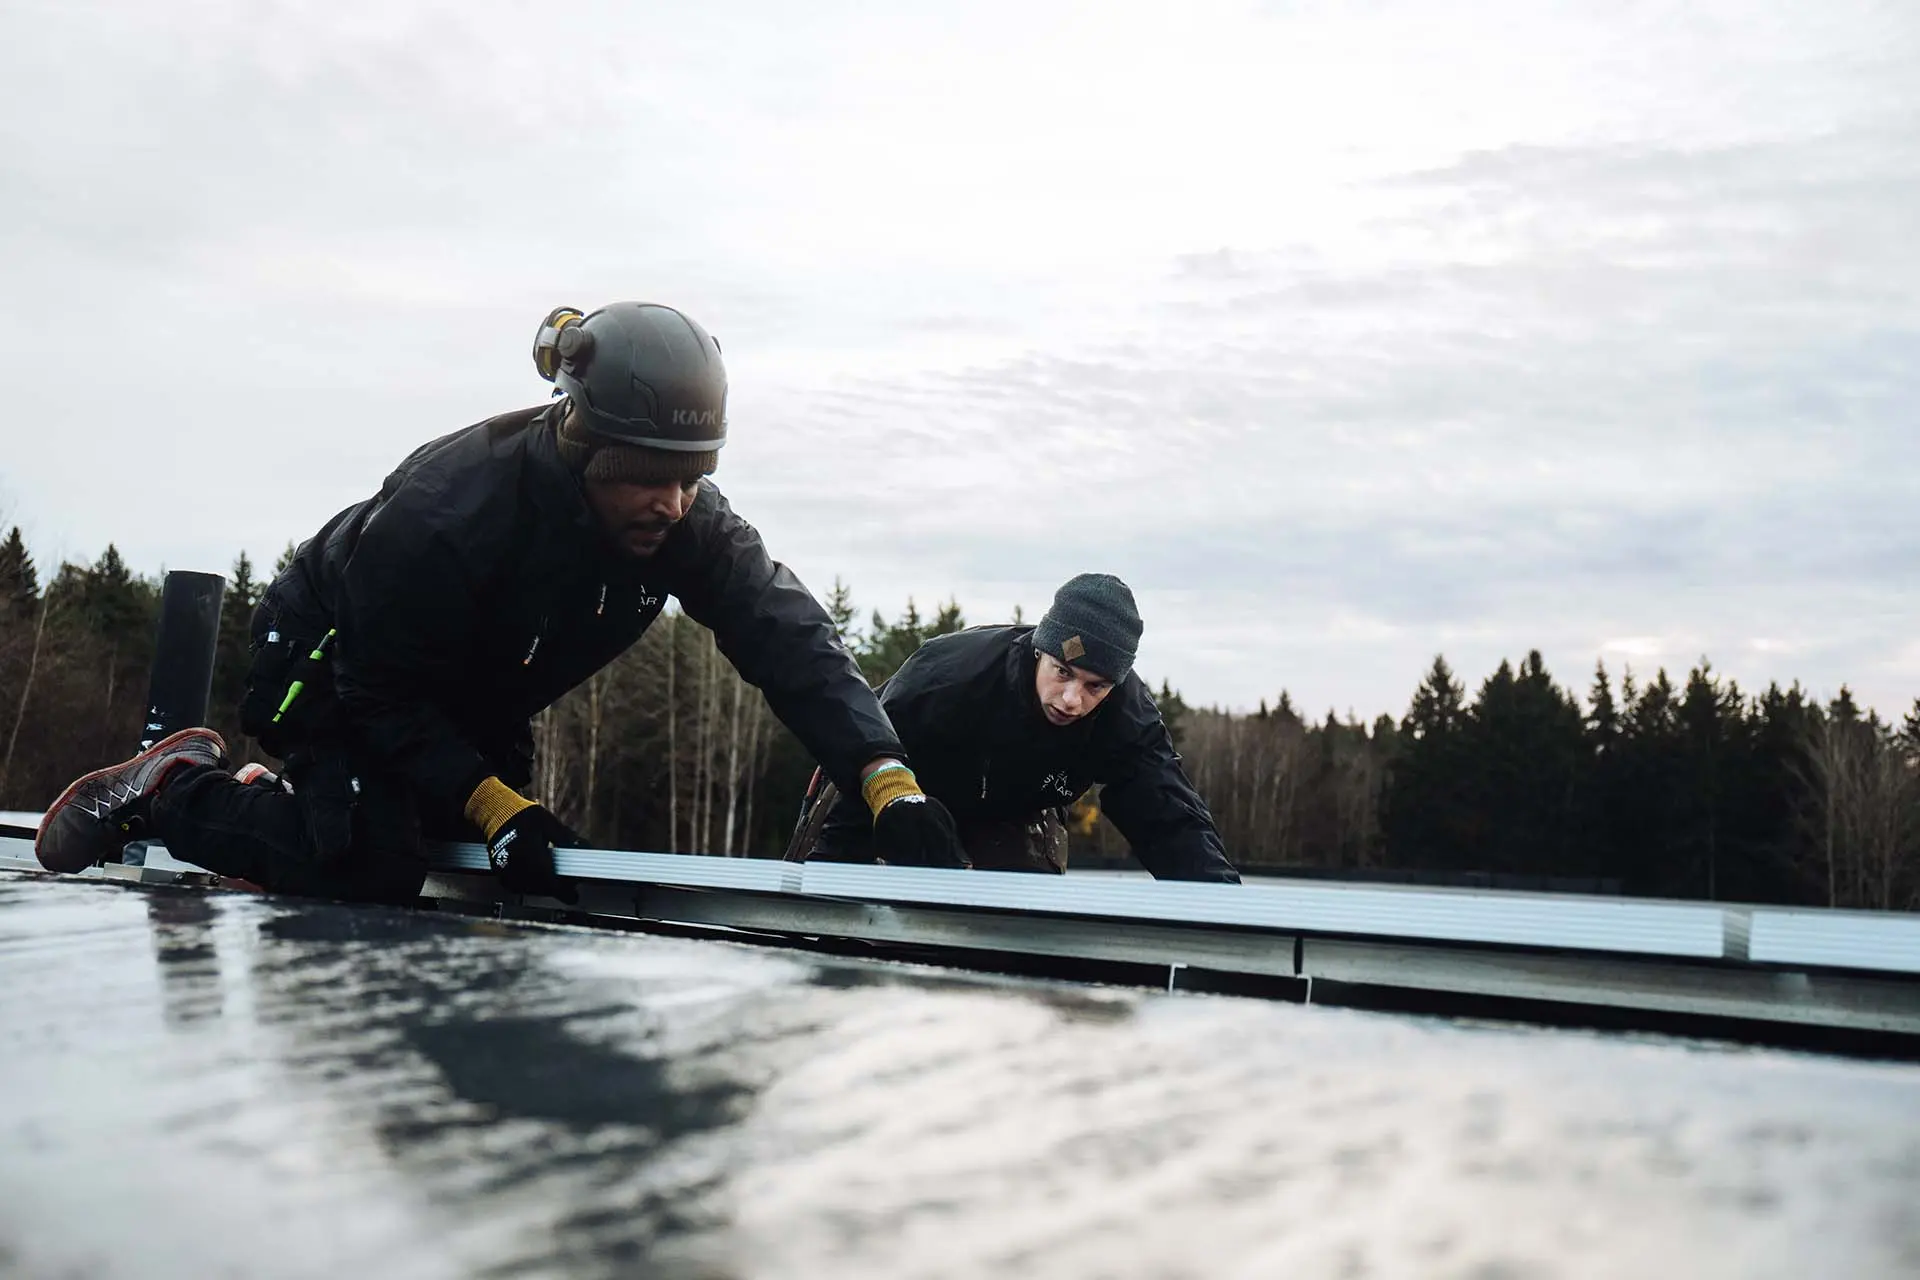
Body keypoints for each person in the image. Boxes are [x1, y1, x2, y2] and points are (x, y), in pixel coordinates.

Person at [35, 302, 967, 900]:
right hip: (332, 666)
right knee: (373, 861)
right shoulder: (449, 513)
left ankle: (289, 806)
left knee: (514, 867)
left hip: (471, 691)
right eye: (647, 478)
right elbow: (381, 695)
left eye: (693, 479)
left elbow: (787, 636)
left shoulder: (685, 522)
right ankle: (169, 789)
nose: (672, 503)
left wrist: (885, 777)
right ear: (587, 447)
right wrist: (487, 799)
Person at [794, 574, 1240, 882]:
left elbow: (1171, 820)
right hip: (891, 779)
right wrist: (822, 889)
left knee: (1021, 924)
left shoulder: (1127, 716)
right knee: (829, 884)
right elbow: (864, 755)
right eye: (1062, 672)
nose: (1072, 700)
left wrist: (1226, 917)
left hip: (1014, 805)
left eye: (1095, 687)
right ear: (1039, 651)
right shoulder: (948, 678)